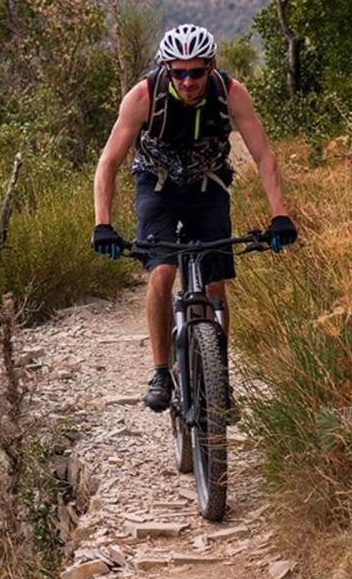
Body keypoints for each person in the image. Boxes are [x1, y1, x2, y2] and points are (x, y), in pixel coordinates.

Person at [89, 24, 299, 411]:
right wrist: (103, 223)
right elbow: (108, 162)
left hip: (208, 185)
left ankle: (220, 378)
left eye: (197, 72)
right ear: (167, 69)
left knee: (215, 282)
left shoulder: (231, 93)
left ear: (210, 67)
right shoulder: (143, 96)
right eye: (179, 72)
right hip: (157, 185)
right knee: (163, 271)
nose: (188, 81)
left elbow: (263, 156)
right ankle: (159, 371)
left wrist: (279, 215)